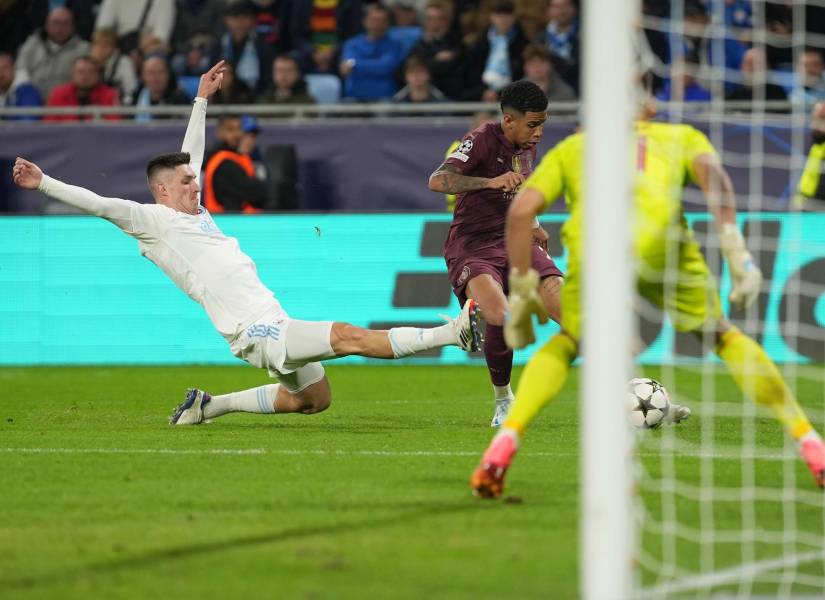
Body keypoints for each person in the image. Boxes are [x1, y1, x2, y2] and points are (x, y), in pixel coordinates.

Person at [12, 61, 482, 427]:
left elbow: (191, 154)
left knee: (314, 399)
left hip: (271, 319)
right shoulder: (151, 220)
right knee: (346, 336)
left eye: (193, 179)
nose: (196, 184)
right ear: (161, 190)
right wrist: (44, 182)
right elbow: (98, 203)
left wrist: (201, 100)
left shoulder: (195, 210)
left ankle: (208, 406)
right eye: (186, 182)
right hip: (255, 330)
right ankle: (451, 334)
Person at [470, 100, 825, 498]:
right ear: (649, 110)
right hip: (664, 246)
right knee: (722, 335)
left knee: (570, 341)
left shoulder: (574, 147)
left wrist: (522, 288)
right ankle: (809, 441)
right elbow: (716, 181)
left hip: (598, 248)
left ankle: (504, 444)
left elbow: (520, 213)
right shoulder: (680, 136)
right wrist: (736, 252)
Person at [428, 81, 562, 427]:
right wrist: (488, 182)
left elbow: (521, 185)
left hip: (516, 239)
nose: (539, 132)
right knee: (500, 317)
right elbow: (438, 181)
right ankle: (504, 400)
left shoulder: (527, 144)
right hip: (473, 246)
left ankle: (626, 389)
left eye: (543, 123)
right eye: (533, 124)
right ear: (508, 120)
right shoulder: (481, 139)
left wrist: (533, 222)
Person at [16, 7, 89, 98]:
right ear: (47, 24)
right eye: (55, 23)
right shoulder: (32, 43)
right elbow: (21, 69)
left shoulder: (83, 48)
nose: (59, 28)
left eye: (65, 23)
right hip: (32, 99)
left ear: (73, 26)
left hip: (65, 100)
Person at [203, 114, 268, 213]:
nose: (237, 134)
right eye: (230, 129)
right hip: (224, 220)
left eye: (239, 129)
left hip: (233, 218)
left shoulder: (237, 157)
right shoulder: (224, 162)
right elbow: (257, 195)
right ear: (220, 133)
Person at [339, 3, 404, 101]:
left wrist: (355, 64)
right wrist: (375, 64)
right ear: (365, 21)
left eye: (382, 20)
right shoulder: (352, 44)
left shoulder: (395, 45)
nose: (377, 24)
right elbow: (345, 69)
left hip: (384, 98)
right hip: (354, 96)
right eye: (374, 20)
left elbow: (385, 67)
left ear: (388, 23)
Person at [44, 55, 120, 122]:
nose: (85, 76)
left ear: (98, 75)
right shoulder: (58, 94)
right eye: (81, 72)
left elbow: (114, 124)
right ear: (72, 74)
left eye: (91, 72)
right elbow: (50, 124)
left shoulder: (109, 95)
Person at [89, 28, 139, 103]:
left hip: (118, 104)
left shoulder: (124, 61)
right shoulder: (87, 63)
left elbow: (131, 89)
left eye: (106, 44)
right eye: (98, 44)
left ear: (114, 47)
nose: (101, 48)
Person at [794, 101, 825, 210]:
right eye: (814, 120)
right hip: (808, 207)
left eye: (820, 120)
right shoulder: (817, 145)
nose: (813, 126)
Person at [0, 52, 43, 121]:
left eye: (4, 68)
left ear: (13, 69)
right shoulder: (3, 91)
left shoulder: (27, 91)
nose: (1, 74)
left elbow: (27, 122)